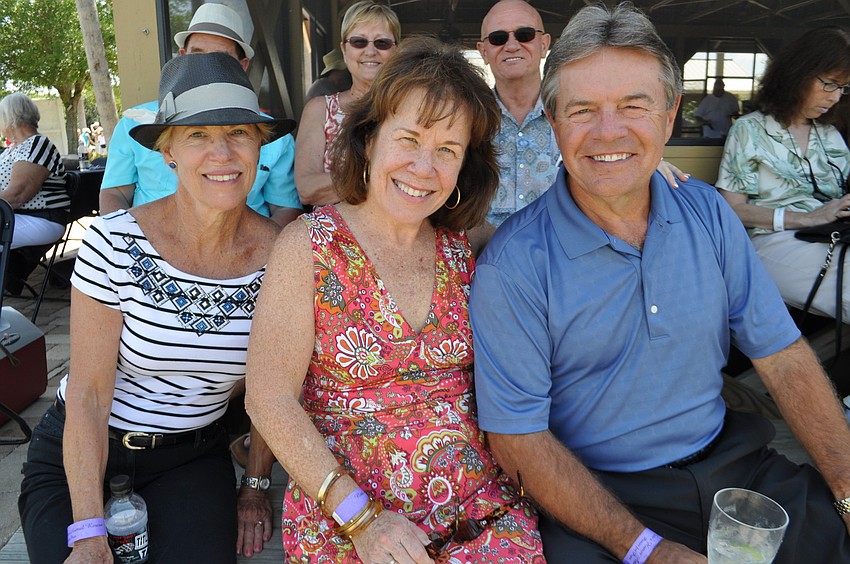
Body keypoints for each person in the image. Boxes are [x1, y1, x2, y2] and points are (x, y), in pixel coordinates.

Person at [469, 4, 850, 563]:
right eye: (582, 110)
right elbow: (518, 439)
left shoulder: (709, 214)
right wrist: (647, 549)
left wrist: (847, 490)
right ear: (553, 124)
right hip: (597, 494)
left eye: (634, 106)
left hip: (734, 467)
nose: (609, 132)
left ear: (670, 116)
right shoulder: (513, 264)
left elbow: (784, 355)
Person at [246, 37, 543, 563]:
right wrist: (360, 517)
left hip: (482, 514)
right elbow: (267, 398)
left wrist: (641, 175)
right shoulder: (308, 247)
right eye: (409, 139)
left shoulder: (467, 244)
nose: (424, 167)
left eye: (448, 150)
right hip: (350, 520)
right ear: (370, 140)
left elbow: (556, 238)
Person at [17, 52, 295, 563]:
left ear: (261, 146)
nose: (223, 153)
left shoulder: (284, 257)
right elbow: (89, 396)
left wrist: (255, 486)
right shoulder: (113, 243)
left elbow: (270, 391)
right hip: (81, 450)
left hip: (189, 457)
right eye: (197, 136)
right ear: (167, 152)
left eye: (238, 132)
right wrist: (88, 533)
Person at [476, 0, 688, 233]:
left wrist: (646, 164)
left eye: (524, 35)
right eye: (498, 38)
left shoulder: (579, 111)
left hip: (567, 249)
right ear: (483, 51)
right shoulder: (470, 119)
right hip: (481, 254)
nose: (512, 45)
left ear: (545, 44)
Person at [99, 2, 301, 228]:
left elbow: (285, 207)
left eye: (220, 58)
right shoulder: (134, 122)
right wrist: (126, 243)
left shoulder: (273, 135)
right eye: (197, 54)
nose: (206, 66)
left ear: (242, 65)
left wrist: (259, 254)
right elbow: (115, 192)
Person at [717, 27, 850, 321]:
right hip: (773, 242)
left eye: (843, 88)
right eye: (829, 83)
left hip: (830, 235)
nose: (836, 97)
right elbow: (732, 210)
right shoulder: (750, 130)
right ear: (798, 74)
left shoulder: (829, 134)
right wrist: (807, 218)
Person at [295, 0, 400, 206]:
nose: (370, 51)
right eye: (359, 42)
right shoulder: (320, 110)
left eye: (382, 43)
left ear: (395, 50)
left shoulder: (412, 109)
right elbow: (307, 190)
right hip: (332, 234)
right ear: (344, 50)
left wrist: (341, 184)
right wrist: (386, 179)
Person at [0, 92, 69, 249]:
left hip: (41, 218)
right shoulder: (11, 148)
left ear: (10, 118)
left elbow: (15, 196)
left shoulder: (37, 144)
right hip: (13, 216)